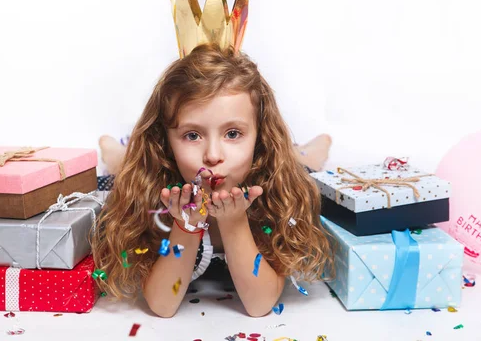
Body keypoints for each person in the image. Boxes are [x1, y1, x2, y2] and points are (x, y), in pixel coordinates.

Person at [91, 44, 333, 318]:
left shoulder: (280, 190)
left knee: (304, 160)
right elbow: (162, 304)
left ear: (260, 136)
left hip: (290, 161)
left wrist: (234, 222)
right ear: (166, 142)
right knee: (123, 164)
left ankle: (314, 149)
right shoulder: (150, 188)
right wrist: (187, 224)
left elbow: (260, 304)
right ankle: (114, 151)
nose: (213, 156)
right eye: (192, 135)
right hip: (149, 169)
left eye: (232, 133)